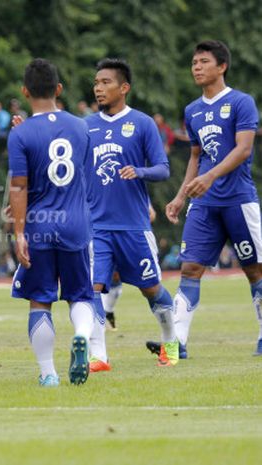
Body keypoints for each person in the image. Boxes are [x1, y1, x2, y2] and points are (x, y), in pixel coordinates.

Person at [159, 40, 262, 357]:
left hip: (238, 200)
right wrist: (180, 195)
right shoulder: (192, 110)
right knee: (189, 269)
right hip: (203, 203)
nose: (197, 67)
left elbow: (243, 149)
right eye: (193, 63)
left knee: (255, 270)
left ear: (222, 66)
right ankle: (177, 345)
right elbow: (195, 156)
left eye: (203, 61)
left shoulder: (242, 102)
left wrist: (210, 176)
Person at [85, 58, 178, 372]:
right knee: (93, 289)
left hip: (133, 226)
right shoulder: (86, 126)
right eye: (96, 82)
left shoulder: (141, 123)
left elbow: (163, 169)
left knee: (151, 289)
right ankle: (99, 356)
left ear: (124, 87)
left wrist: (138, 171)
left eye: (106, 82)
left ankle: (171, 343)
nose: (99, 88)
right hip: (96, 227)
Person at [7, 58, 94, 387]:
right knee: (81, 295)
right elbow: (82, 177)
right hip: (75, 223)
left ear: (25, 91)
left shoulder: (20, 134)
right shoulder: (81, 127)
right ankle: (82, 335)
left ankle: (48, 373)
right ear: (59, 89)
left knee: (40, 298)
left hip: (40, 227)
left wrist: (18, 233)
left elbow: (19, 186)